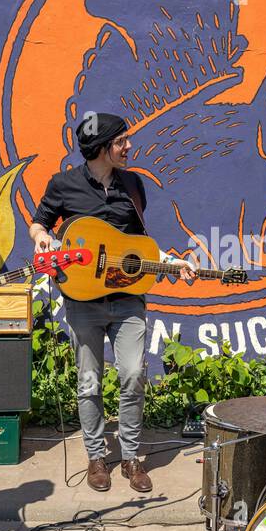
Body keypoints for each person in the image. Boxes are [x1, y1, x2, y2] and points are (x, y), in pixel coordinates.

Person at [28, 113, 195, 495]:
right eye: (122, 142)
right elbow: (40, 222)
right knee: (89, 381)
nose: (129, 147)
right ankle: (96, 456)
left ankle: (133, 456)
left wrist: (168, 262)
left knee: (134, 374)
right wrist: (42, 238)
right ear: (103, 148)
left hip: (128, 299)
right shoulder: (63, 184)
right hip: (82, 299)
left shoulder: (133, 184)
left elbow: (137, 242)